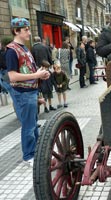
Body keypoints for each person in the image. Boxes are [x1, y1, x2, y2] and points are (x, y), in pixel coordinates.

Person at [6, 18, 50, 166]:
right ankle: (28, 155)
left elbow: (28, 69)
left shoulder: (24, 48)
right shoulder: (12, 50)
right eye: (26, 30)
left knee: (33, 124)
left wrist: (41, 73)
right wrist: (36, 75)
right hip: (23, 93)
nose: (29, 33)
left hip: (30, 92)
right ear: (16, 31)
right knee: (29, 126)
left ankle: (35, 152)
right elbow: (12, 76)